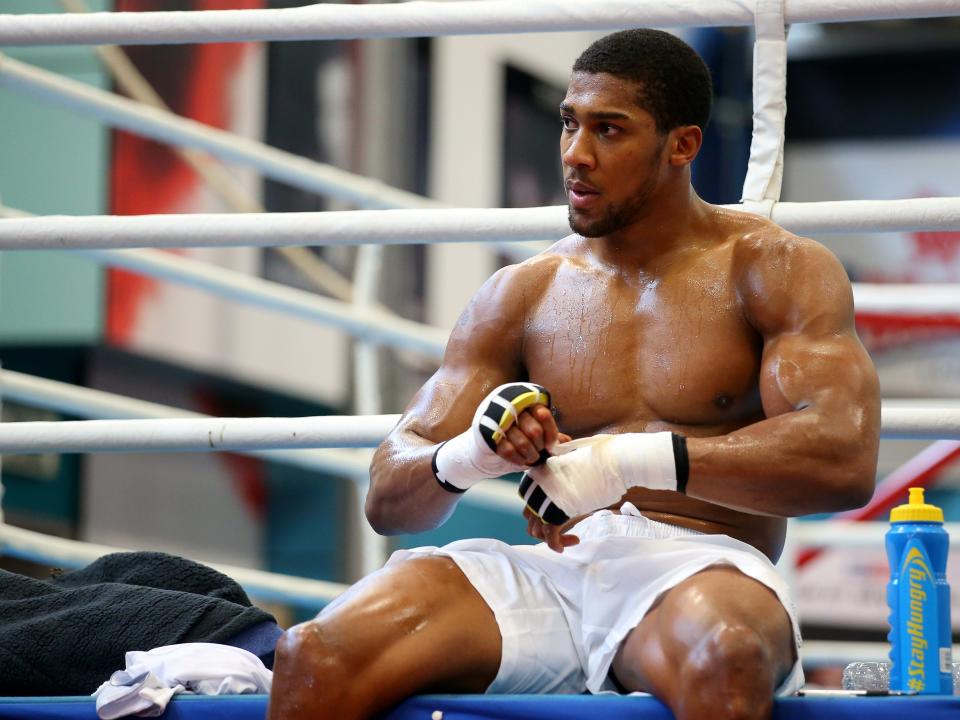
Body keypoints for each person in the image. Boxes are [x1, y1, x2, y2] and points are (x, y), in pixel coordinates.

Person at [267, 29, 880, 720]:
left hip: (696, 569)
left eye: (608, 130)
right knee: (313, 654)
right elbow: (388, 495)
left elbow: (841, 457)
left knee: (727, 656)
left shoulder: (772, 268)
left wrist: (622, 463)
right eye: (569, 124)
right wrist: (472, 452)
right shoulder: (522, 293)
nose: (575, 155)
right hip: (552, 572)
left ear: (682, 145)